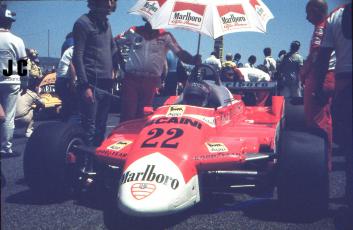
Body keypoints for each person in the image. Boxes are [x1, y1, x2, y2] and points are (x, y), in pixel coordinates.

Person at [117, 18, 201, 122]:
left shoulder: (166, 36)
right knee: (127, 113)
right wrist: (120, 63)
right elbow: (114, 43)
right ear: (146, 17)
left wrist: (193, 59)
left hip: (151, 81)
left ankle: (139, 137)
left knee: (144, 114)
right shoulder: (133, 31)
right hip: (131, 79)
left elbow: (180, 53)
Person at [314, 3, 352, 223]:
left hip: (346, 88)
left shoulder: (335, 17)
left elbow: (323, 57)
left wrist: (319, 89)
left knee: (350, 150)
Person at [72, 0, 119, 146]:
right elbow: (77, 57)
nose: (111, 4)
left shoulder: (106, 24)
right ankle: (85, 164)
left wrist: (117, 68)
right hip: (91, 84)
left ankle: (96, 161)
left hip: (106, 84)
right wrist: (85, 85)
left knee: (101, 127)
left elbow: (112, 49)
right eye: (109, 1)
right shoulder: (82, 23)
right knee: (89, 128)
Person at [300, 0, 336, 170]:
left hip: (320, 77)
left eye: (308, 13)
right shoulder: (329, 26)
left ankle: (316, 165)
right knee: (325, 120)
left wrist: (304, 71)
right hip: (329, 77)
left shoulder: (321, 28)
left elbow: (315, 55)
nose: (306, 18)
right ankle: (323, 162)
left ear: (315, 11)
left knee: (314, 121)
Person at [0, 5, 27, 157]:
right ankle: (5, 147)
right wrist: (25, 82)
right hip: (11, 79)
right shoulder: (16, 40)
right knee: (8, 116)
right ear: (10, 23)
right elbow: (21, 62)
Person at [56, 45, 80, 122]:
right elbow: (72, 66)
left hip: (60, 80)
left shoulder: (70, 49)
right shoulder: (75, 49)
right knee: (72, 107)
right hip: (65, 80)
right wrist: (74, 83)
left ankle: (64, 124)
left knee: (67, 106)